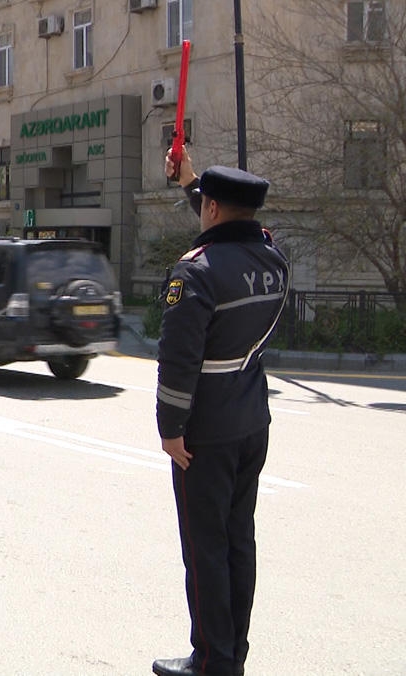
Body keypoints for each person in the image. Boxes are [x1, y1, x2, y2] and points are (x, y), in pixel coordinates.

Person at [152, 148, 290, 676]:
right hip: (252, 420)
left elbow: (178, 360)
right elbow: (230, 234)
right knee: (238, 540)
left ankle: (211, 660)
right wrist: (190, 181)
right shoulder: (273, 260)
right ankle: (234, 650)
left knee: (205, 548)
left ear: (210, 208)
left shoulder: (195, 275)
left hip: (203, 433)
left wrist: (170, 429)